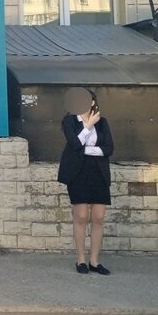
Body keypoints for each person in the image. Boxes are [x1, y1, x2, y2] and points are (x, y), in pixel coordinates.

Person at [57, 88, 115, 275]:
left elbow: (108, 148)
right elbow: (74, 144)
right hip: (78, 172)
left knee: (98, 217)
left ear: (92, 102)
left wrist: (87, 150)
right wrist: (88, 125)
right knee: (81, 216)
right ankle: (81, 259)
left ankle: (94, 261)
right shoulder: (69, 121)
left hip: (98, 172)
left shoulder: (103, 122)